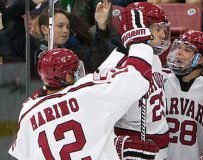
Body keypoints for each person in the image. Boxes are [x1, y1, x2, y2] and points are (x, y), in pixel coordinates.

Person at [8, 45, 160, 159]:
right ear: (67, 77)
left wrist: (110, 145)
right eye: (75, 70)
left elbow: (24, 154)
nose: (80, 73)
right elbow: (138, 77)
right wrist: (140, 43)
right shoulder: (87, 94)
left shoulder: (28, 111)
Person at [96, 2, 171, 159]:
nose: (163, 35)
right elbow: (98, 114)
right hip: (133, 142)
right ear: (140, 29)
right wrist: (116, 142)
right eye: (157, 29)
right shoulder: (115, 64)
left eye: (163, 29)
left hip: (159, 140)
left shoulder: (153, 56)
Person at [163, 30, 203, 160]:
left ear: (201, 59)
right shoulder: (161, 81)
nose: (178, 53)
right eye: (178, 48)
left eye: (187, 50)